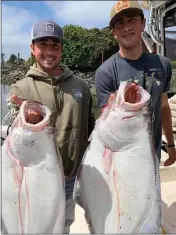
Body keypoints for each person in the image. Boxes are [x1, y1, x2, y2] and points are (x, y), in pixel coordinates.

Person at [6, 20, 95, 233]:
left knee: (63, 225)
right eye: (42, 45)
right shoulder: (21, 88)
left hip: (70, 178)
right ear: (32, 48)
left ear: (62, 49)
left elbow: (90, 127)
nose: (49, 51)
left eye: (55, 45)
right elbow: (14, 139)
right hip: (36, 179)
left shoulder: (81, 86)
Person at [95, 0, 176, 166]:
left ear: (143, 23)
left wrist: (170, 143)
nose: (126, 27)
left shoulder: (163, 64)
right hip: (122, 160)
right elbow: (106, 126)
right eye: (119, 23)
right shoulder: (105, 72)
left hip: (153, 156)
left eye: (132, 19)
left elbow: (163, 106)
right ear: (114, 32)